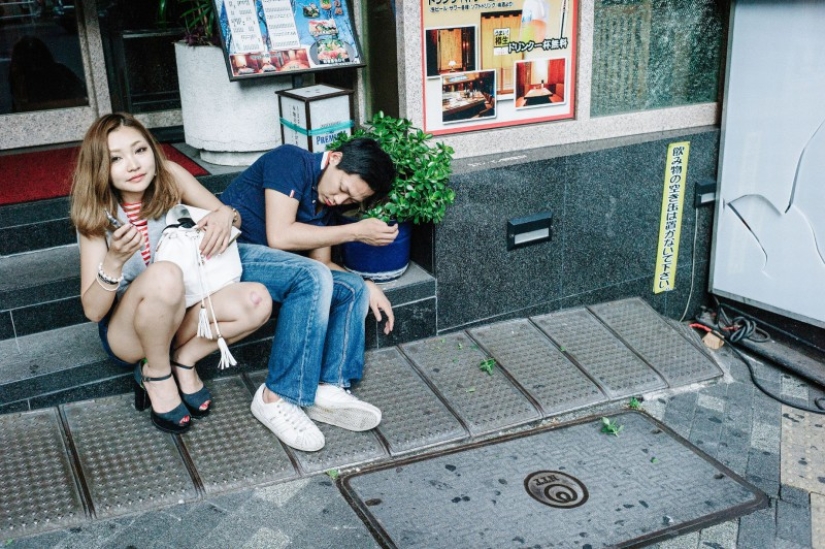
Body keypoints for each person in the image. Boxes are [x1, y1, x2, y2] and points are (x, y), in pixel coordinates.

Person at [70, 113, 272, 434]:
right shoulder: (96, 213)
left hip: (181, 312)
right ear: (99, 168)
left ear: (152, 149)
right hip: (129, 334)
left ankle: (184, 360)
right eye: (116, 159)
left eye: (140, 150)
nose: (134, 165)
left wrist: (224, 214)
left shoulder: (169, 175)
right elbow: (93, 311)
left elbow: (230, 219)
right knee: (165, 274)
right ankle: (156, 374)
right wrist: (113, 262)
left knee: (257, 300)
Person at [220, 138, 397, 452]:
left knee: (349, 288)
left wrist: (365, 283)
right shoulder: (290, 161)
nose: (338, 199)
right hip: (231, 255)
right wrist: (355, 231)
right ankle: (275, 396)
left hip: (279, 269)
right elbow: (280, 235)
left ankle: (328, 386)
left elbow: (323, 263)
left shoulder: (324, 202)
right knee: (313, 277)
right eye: (342, 186)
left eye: (349, 199)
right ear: (335, 158)